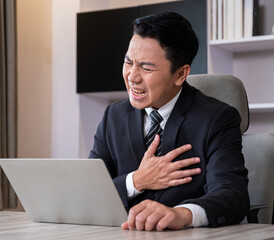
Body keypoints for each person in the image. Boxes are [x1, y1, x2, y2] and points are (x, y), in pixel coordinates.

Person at [89, 12, 249, 231]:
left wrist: (182, 214)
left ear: (180, 74)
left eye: (146, 68)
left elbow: (233, 196)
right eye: (128, 62)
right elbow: (89, 191)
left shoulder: (217, 119)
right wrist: (137, 181)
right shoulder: (113, 116)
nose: (132, 76)